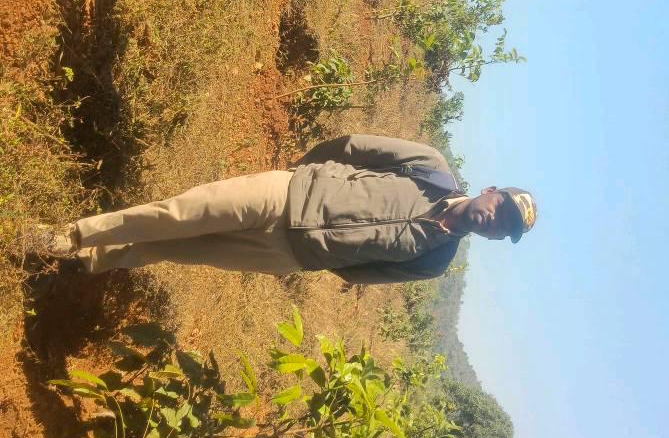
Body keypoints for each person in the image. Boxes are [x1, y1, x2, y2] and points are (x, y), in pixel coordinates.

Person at [22, 134, 537, 284]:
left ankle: (88, 260)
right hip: (284, 193)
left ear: (497, 238)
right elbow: (354, 146)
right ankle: (68, 236)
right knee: (175, 215)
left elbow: (363, 274)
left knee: (177, 250)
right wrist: (300, 173)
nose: (496, 220)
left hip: (286, 255)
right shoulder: (431, 167)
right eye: (503, 208)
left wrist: (320, 253)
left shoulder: (435, 262)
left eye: (505, 228)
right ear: (490, 190)